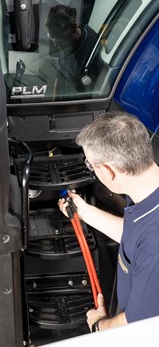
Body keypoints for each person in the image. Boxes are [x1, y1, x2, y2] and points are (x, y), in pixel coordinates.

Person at [58, 111, 159, 332]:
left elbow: (137, 326)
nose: (91, 170)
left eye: (90, 165)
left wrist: (99, 325)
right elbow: (134, 235)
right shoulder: (148, 194)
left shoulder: (154, 247)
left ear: (109, 170)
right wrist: (84, 212)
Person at [45, 5, 99, 100]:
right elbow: (59, 78)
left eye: (60, 38)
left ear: (73, 28)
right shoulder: (67, 42)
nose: (56, 44)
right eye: (52, 37)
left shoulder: (93, 50)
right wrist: (54, 105)